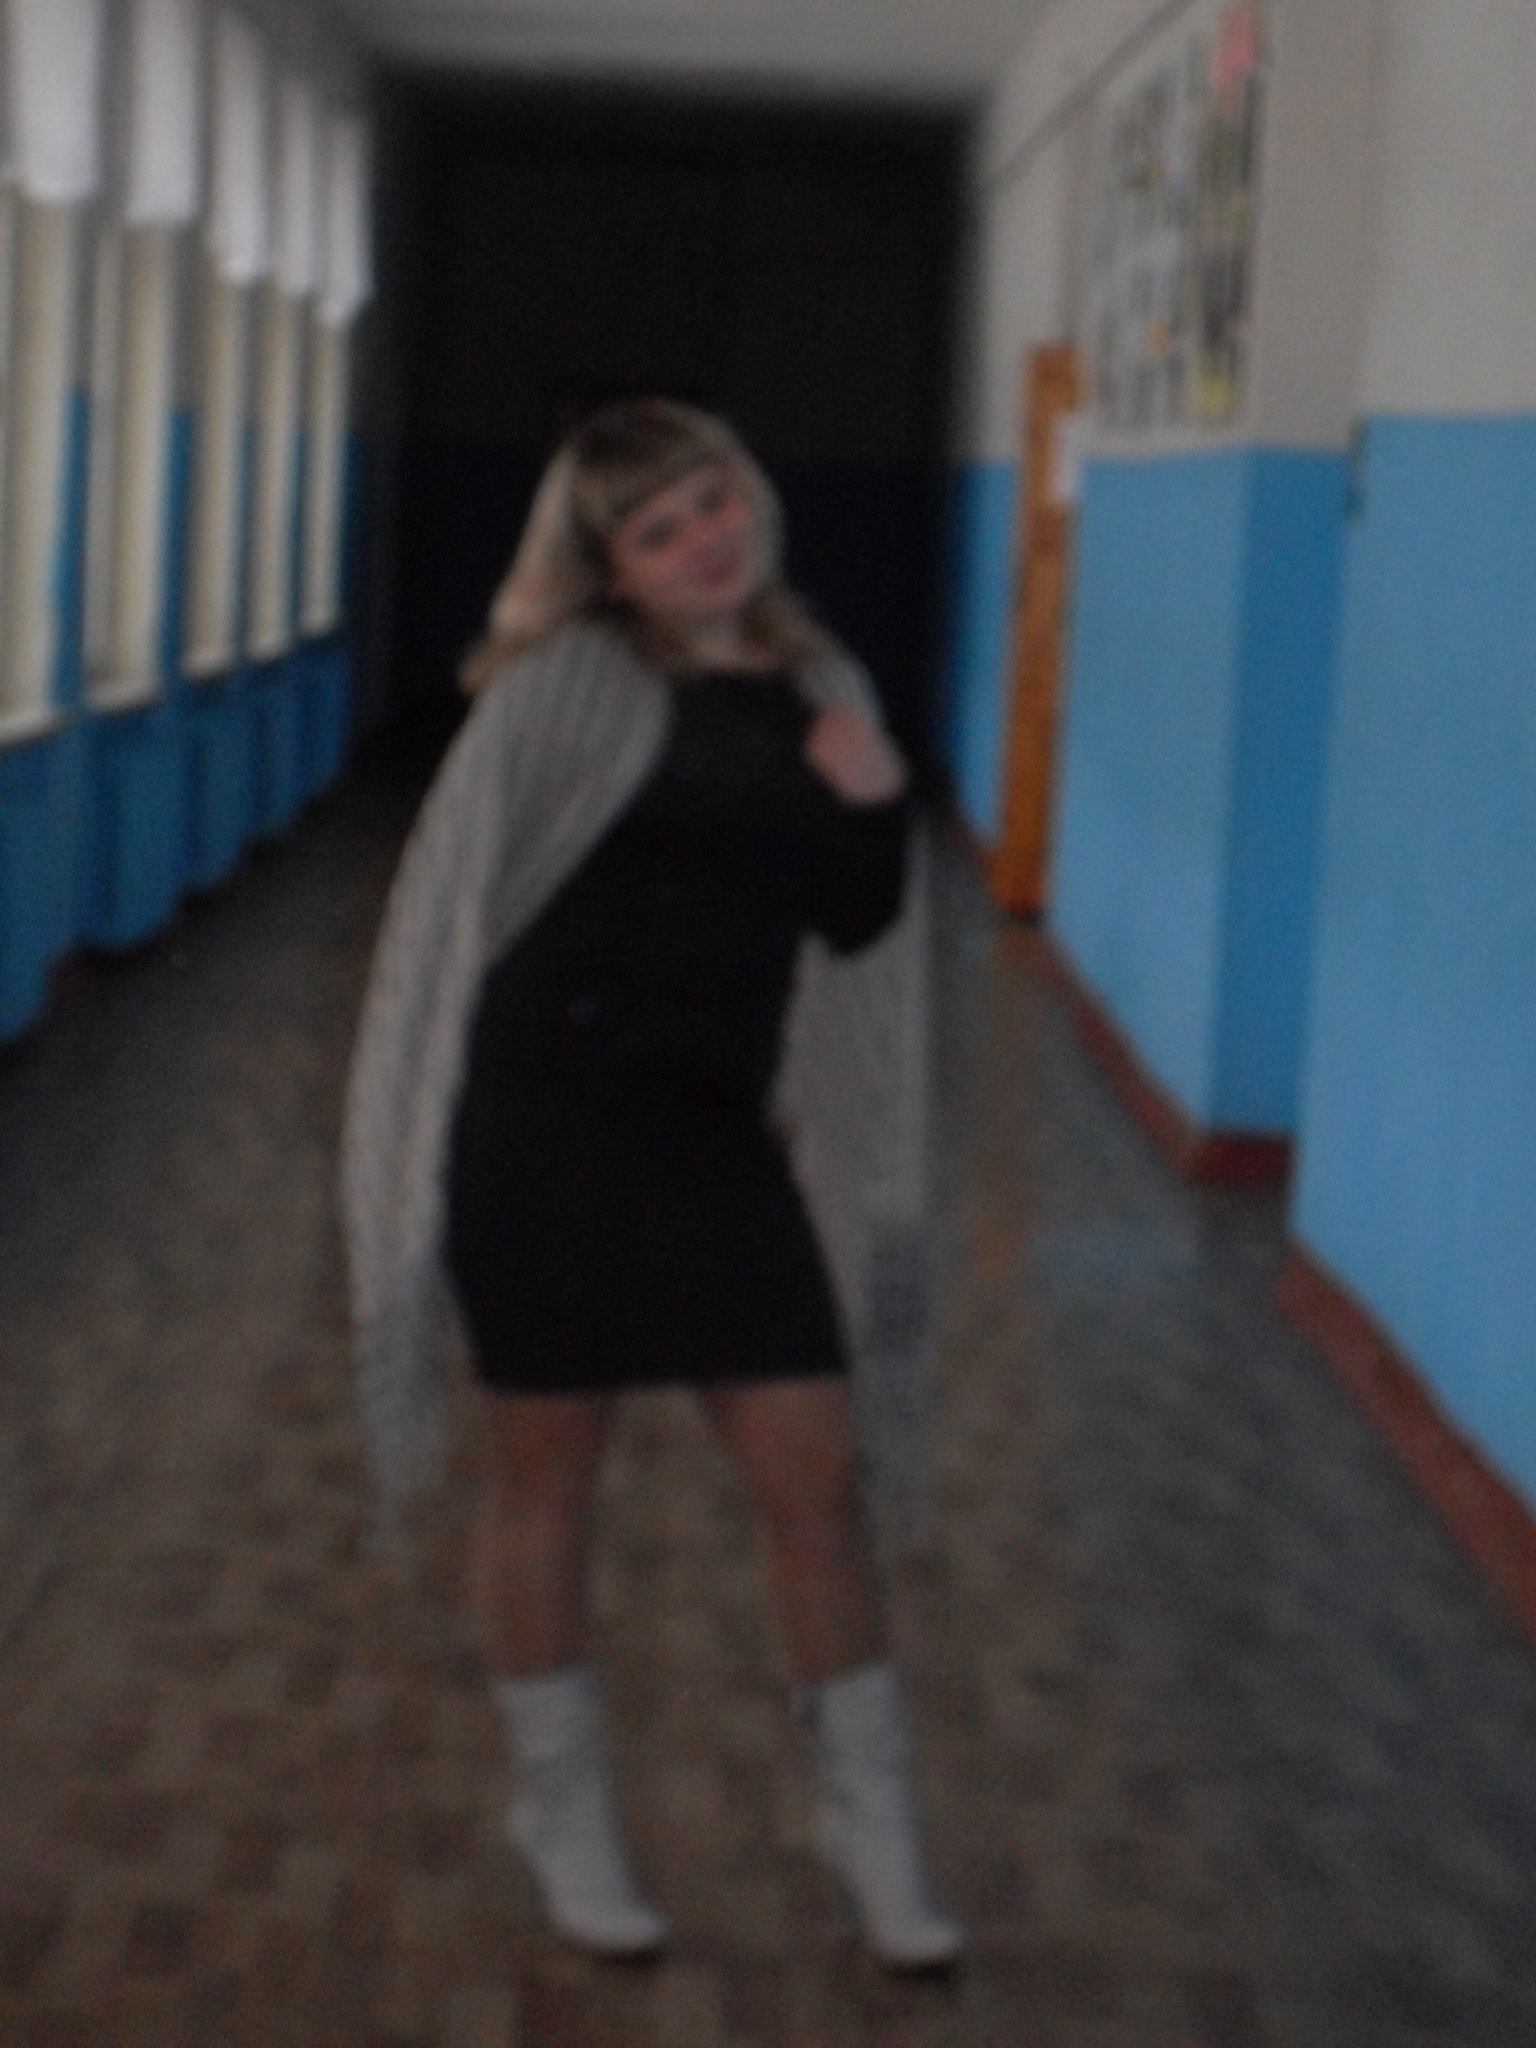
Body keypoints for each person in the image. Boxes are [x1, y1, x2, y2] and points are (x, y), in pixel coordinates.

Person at [340, 399, 960, 1968]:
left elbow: (856, 923)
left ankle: (873, 1826)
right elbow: (459, 903)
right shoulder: (558, 690)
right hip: (540, 1137)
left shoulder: (823, 688)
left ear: (751, 498)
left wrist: (872, 796)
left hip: (717, 1142)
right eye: (659, 529)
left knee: (815, 1479)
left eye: (713, 502)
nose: (703, 543)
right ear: (607, 566)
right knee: (548, 1481)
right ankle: (561, 1811)